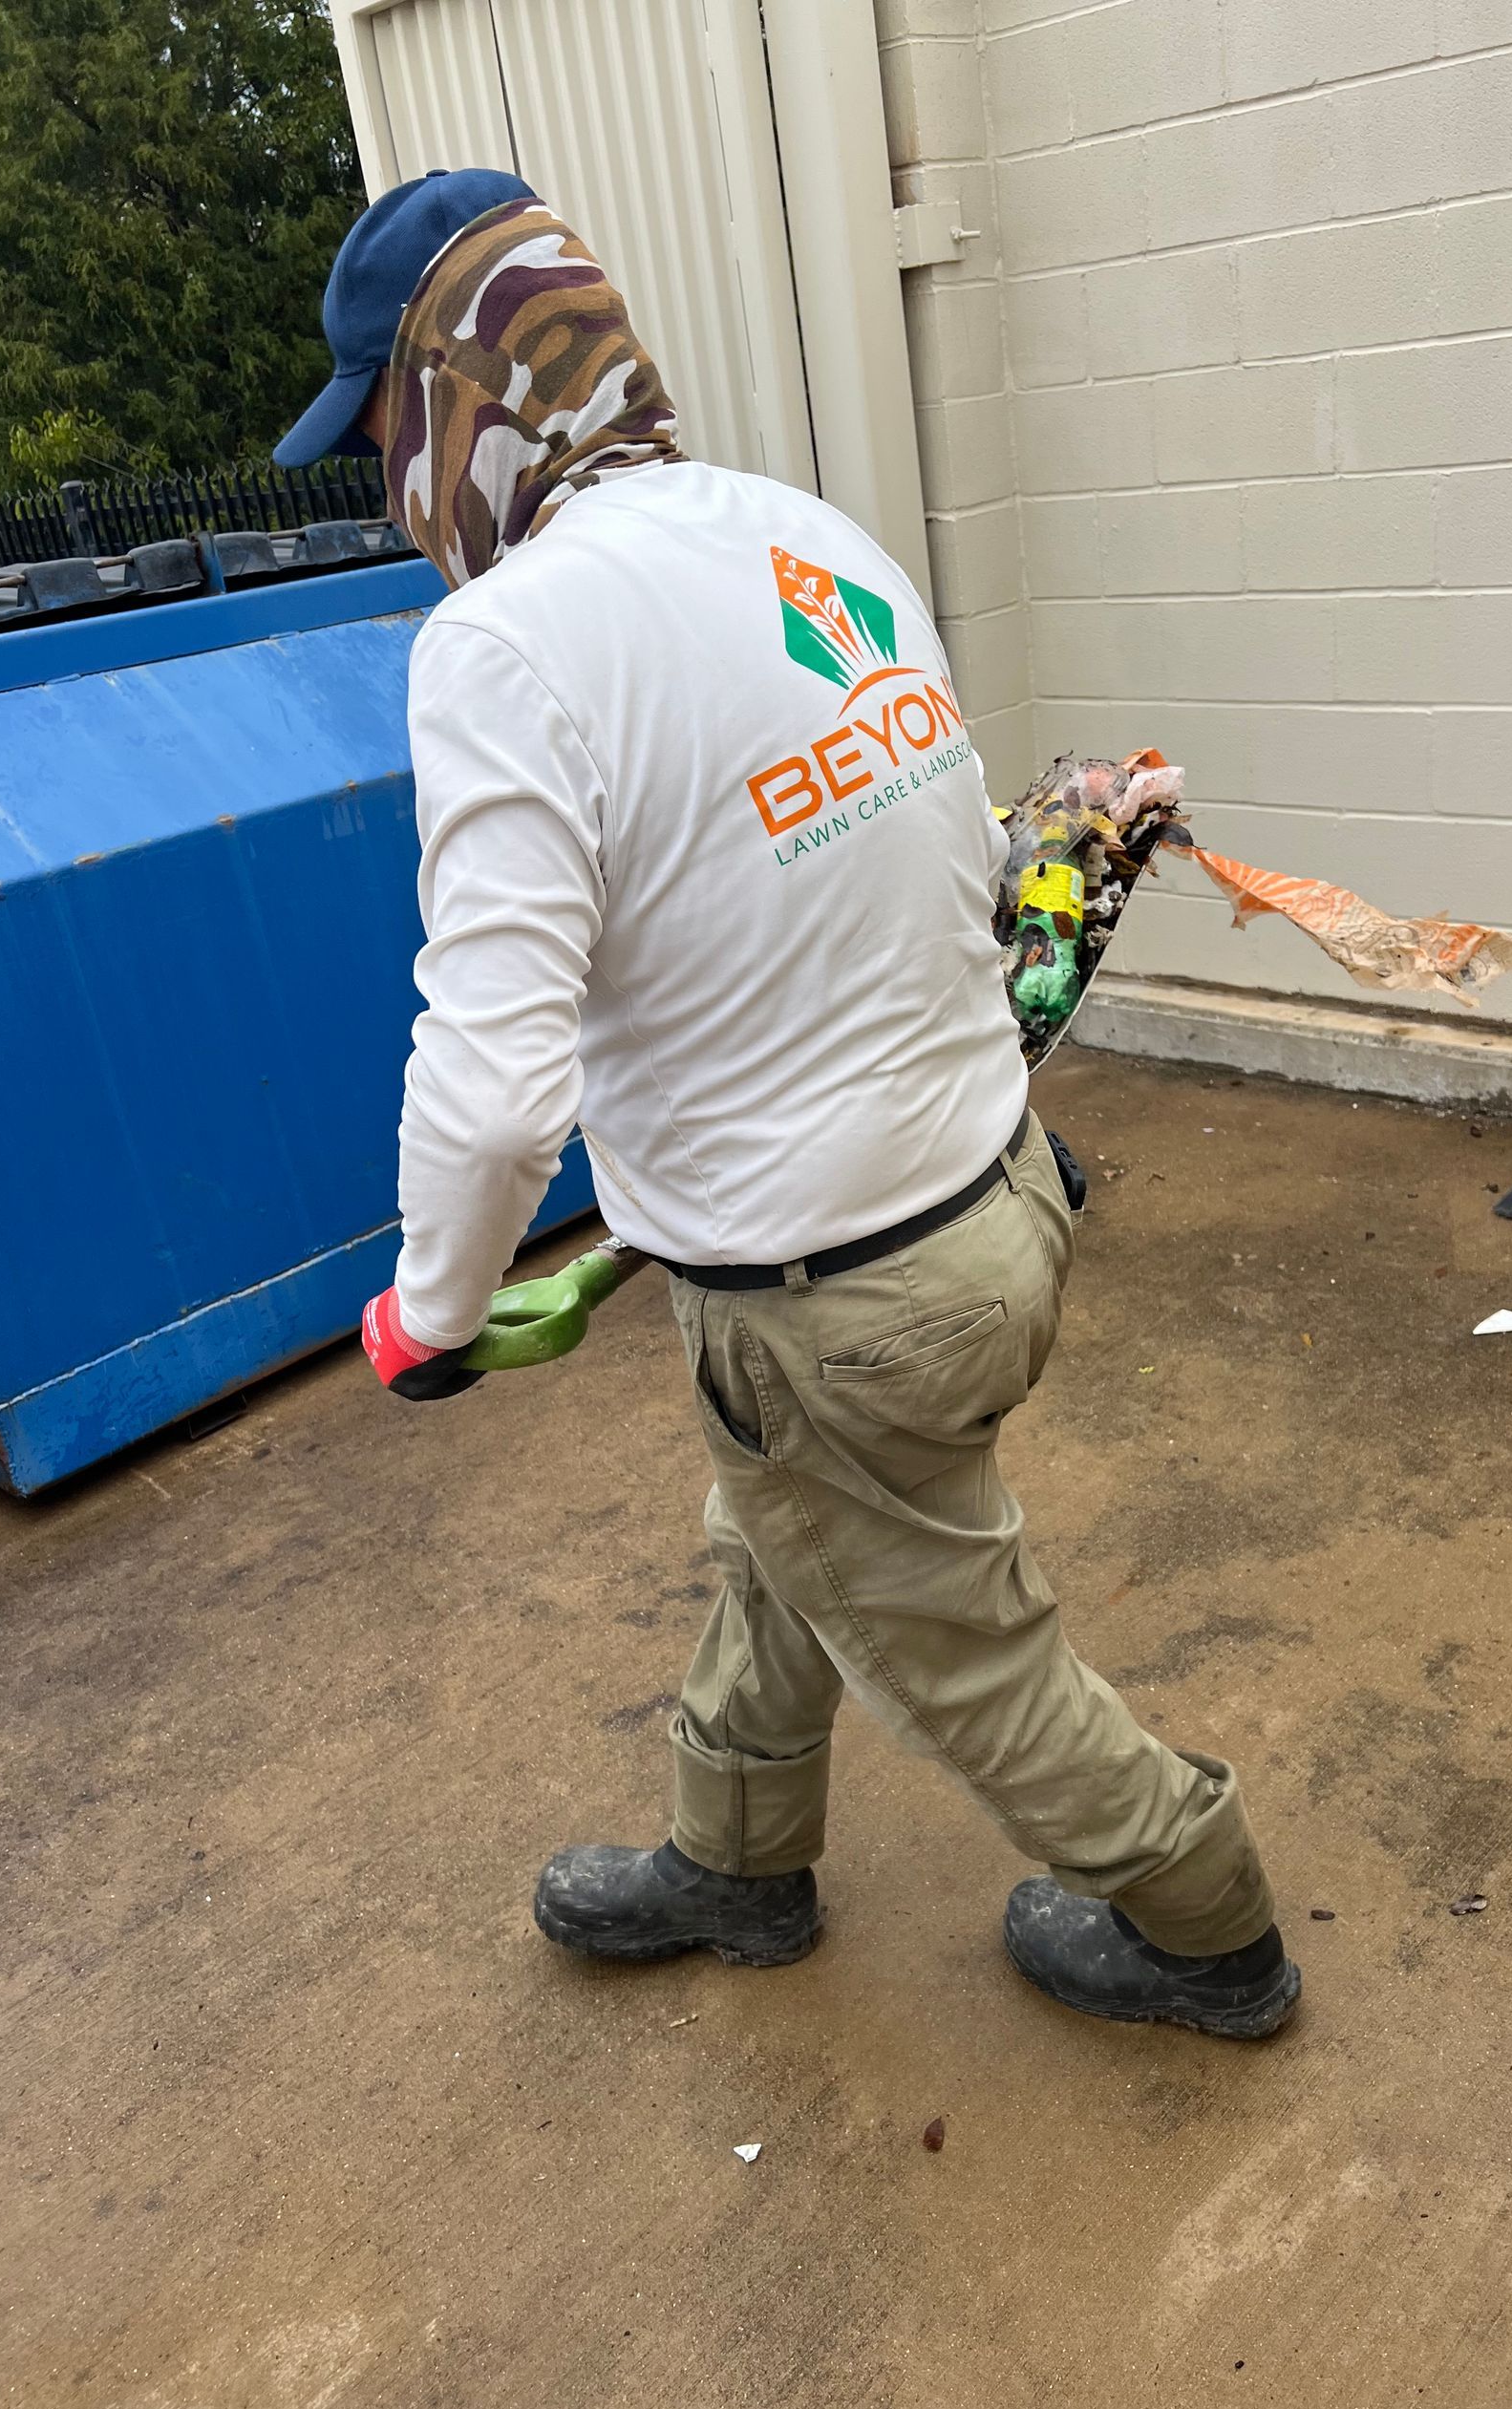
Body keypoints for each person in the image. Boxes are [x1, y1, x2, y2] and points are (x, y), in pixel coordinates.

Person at [274, 169, 1299, 2038]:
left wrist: (427, 1312)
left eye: (383, 436)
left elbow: (498, 1092)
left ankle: (1204, 1913)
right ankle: (736, 1855)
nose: (387, 492)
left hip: (838, 1307)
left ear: (463, 399)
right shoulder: (796, 534)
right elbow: (946, 875)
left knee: (960, 1644)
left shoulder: (505, 652)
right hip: (996, 1200)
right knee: (787, 1523)